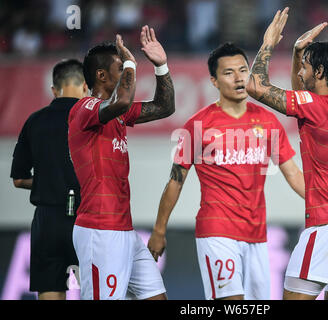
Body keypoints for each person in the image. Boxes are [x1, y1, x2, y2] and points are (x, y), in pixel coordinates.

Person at [148, 42, 306, 300]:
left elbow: (293, 174)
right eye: (229, 72)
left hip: (257, 235)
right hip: (217, 231)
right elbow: (176, 181)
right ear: (214, 80)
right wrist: (159, 230)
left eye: (243, 70)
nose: (239, 78)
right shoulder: (197, 125)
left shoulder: (267, 121)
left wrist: (326, 203)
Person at [247, 7, 328, 300]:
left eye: (305, 66)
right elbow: (300, 99)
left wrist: (268, 43)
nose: (300, 72)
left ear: (319, 72)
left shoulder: (318, 108)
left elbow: (255, 86)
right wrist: (296, 54)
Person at [68, 26, 174, 300]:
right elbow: (123, 100)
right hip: (99, 231)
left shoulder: (119, 115)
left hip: (125, 231)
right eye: (120, 67)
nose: (127, 71)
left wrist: (161, 66)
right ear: (101, 75)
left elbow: (165, 107)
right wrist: (131, 63)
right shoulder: (84, 109)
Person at [10, 58, 88, 300]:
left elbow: (19, 180)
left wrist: (47, 180)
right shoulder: (93, 119)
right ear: (85, 86)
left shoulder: (35, 121)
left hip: (47, 221)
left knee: (50, 291)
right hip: (87, 218)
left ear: (54, 90)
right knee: (100, 289)